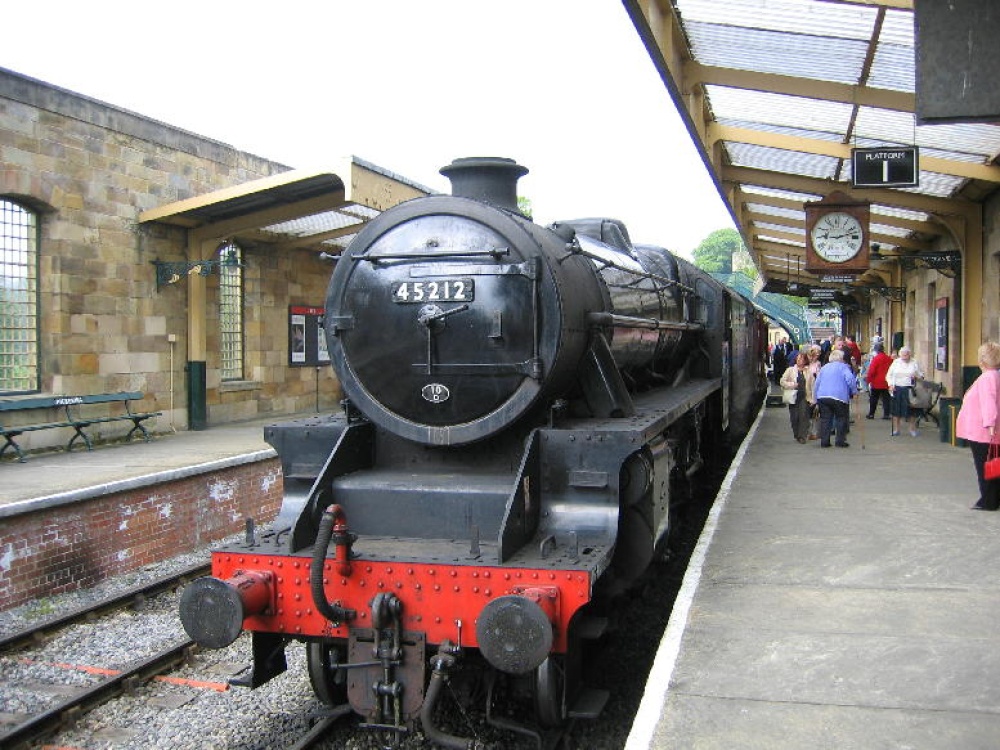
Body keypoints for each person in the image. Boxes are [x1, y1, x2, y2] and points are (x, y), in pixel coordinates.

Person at [956, 342, 1000, 511]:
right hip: (992, 431)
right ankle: (993, 498)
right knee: (993, 466)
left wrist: (989, 423)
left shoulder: (987, 378)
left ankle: (988, 500)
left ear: (982, 359)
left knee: (985, 467)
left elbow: (988, 402)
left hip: (983, 431)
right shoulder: (995, 375)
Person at [813, 349, 857, 447]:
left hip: (823, 396)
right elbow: (850, 379)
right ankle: (840, 441)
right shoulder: (844, 367)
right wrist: (854, 391)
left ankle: (825, 441)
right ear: (841, 358)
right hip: (839, 397)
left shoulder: (824, 368)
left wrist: (815, 398)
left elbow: (817, 383)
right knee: (841, 418)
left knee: (825, 419)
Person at [886, 346, 925, 437]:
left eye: (906, 354)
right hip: (897, 388)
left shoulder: (914, 362)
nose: (905, 356)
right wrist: (890, 385)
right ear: (900, 355)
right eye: (903, 354)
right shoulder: (896, 362)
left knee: (912, 410)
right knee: (896, 410)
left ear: (909, 354)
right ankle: (896, 429)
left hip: (910, 389)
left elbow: (922, 375)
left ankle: (912, 429)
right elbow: (889, 375)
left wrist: (916, 376)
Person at [780, 351, 814, 443]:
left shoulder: (808, 371)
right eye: (798, 359)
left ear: (805, 360)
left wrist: (813, 399)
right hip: (793, 397)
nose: (799, 360)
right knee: (794, 417)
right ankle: (796, 434)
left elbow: (812, 385)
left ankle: (802, 436)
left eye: (801, 359)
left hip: (804, 397)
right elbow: (782, 381)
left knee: (804, 417)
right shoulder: (790, 370)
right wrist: (792, 384)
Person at [864, 342, 892, 420]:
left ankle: (871, 414)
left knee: (874, 399)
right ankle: (886, 414)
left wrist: (868, 380)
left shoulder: (876, 359)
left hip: (876, 382)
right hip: (886, 382)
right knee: (886, 399)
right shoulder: (889, 358)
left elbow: (872, 371)